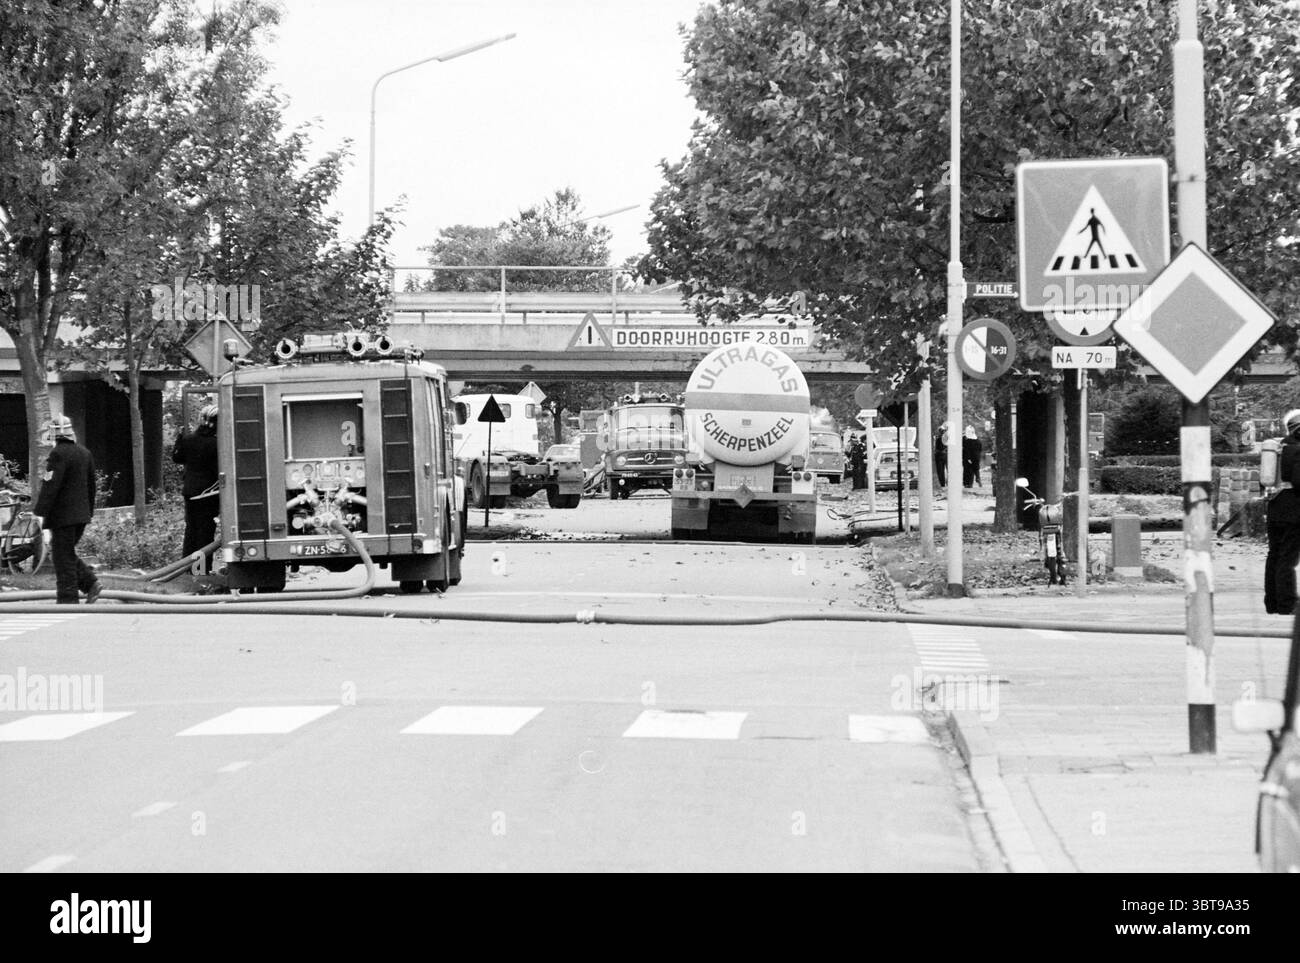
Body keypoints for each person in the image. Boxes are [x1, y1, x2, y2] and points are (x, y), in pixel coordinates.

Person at [33, 414, 100, 604]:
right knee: (65, 553)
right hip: (81, 515)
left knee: (63, 559)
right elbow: (91, 487)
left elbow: (51, 485)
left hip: (63, 516)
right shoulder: (85, 453)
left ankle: (68, 598)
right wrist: (89, 512)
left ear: (54, 435)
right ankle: (90, 584)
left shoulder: (58, 454)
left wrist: (39, 513)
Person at [1264, 409, 1300, 615]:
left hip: (1275, 507)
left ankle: (1272, 603)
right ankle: (1287, 604)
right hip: (1294, 510)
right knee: (1288, 557)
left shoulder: (1279, 447)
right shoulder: (1297, 449)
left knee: (1274, 555)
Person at [173, 403, 220, 558]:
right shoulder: (217, 444)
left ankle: (189, 568)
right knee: (205, 533)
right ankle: (201, 570)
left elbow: (177, 457)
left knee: (191, 530)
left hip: (190, 492)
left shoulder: (189, 439)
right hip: (208, 494)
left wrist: (179, 439)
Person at [961, 425, 983, 489]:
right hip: (976, 457)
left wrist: (968, 458)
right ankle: (977, 478)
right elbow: (980, 449)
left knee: (968, 471)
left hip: (968, 458)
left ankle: (967, 483)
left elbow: (967, 450)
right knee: (975, 469)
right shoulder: (978, 441)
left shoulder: (967, 441)